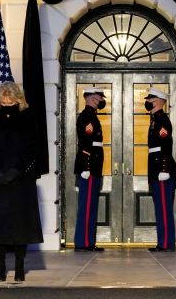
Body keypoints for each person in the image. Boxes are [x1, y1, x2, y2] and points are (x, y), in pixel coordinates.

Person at [0, 81, 43, 282]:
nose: (7, 104)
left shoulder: (27, 115)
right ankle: (0, 267)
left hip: (20, 179)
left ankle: (19, 267)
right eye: (4, 101)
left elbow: (33, 146)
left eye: (11, 101)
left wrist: (17, 170)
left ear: (18, 99)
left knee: (19, 225)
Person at [144, 87, 176, 252]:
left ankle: (166, 243)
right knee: (160, 207)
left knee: (164, 208)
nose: (147, 102)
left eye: (150, 99)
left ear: (157, 101)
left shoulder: (162, 120)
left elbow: (165, 147)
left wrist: (164, 169)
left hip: (162, 170)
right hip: (156, 168)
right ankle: (162, 242)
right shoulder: (155, 120)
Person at [73, 87, 106, 252]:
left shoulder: (92, 116)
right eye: (96, 97)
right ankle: (83, 242)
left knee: (91, 206)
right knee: (86, 206)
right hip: (89, 167)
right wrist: (86, 167)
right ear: (89, 97)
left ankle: (89, 241)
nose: (99, 100)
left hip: (94, 167)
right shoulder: (86, 116)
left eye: (100, 98)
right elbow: (86, 144)